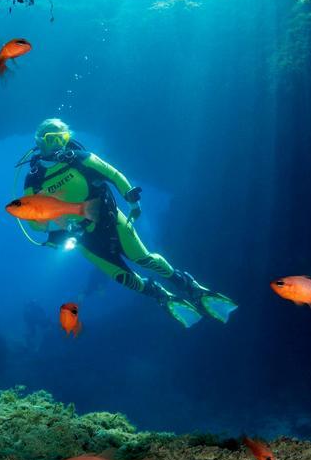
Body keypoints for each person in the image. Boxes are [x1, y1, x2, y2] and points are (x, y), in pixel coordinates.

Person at [14, 118, 237, 327]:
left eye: (61, 138)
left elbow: (115, 175)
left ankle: (189, 286)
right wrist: (56, 232)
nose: (57, 145)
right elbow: (34, 221)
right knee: (123, 277)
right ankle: (159, 295)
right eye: (51, 138)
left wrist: (133, 202)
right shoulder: (33, 179)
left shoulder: (82, 158)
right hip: (82, 238)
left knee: (143, 258)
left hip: (111, 220)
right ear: (39, 142)